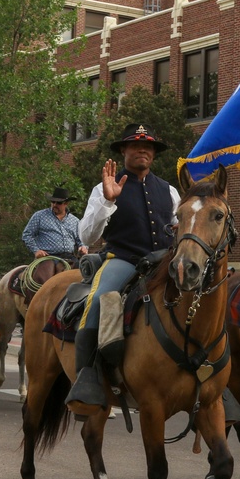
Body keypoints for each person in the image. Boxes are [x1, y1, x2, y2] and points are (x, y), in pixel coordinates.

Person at [65, 123, 180, 416]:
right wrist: (108, 200)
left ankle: (214, 378)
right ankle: (86, 381)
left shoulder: (169, 191)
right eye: (135, 145)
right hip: (123, 261)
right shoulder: (102, 189)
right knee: (96, 303)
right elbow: (87, 237)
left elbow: (180, 232)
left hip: (163, 264)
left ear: (153, 154)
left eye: (149, 146)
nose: (143, 150)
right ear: (123, 151)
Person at [21, 187, 89, 260]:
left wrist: (83, 247)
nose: (55, 205)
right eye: (53, 202)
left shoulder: (75, 221)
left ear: (66, 203)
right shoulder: (39, 216)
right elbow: (27, 235)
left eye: (59, 203)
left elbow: (81, 239)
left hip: (70, 257)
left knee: (85, 269)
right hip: (47, 257)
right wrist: (36, 250)